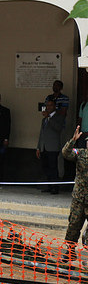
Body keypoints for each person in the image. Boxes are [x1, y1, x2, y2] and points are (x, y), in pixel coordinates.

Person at [61, 126, 88, 261]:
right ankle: (70, 252)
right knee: (73, 225)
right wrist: (73, 140)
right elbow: (66, 153)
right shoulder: (81, 153)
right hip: (79, 199)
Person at [37, 99, 66, 194]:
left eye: (50, 105)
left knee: (53, 167)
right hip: (44, 147)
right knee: (46, 167)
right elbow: (41, 134)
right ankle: (49, 186)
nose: (48, 107)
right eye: (47, 105)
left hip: (53, 147)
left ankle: (55, 187)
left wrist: (49, 118)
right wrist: (38, 147)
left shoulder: (59, 117)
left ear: (54, 107)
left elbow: (58, 129)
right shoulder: (43, 120)